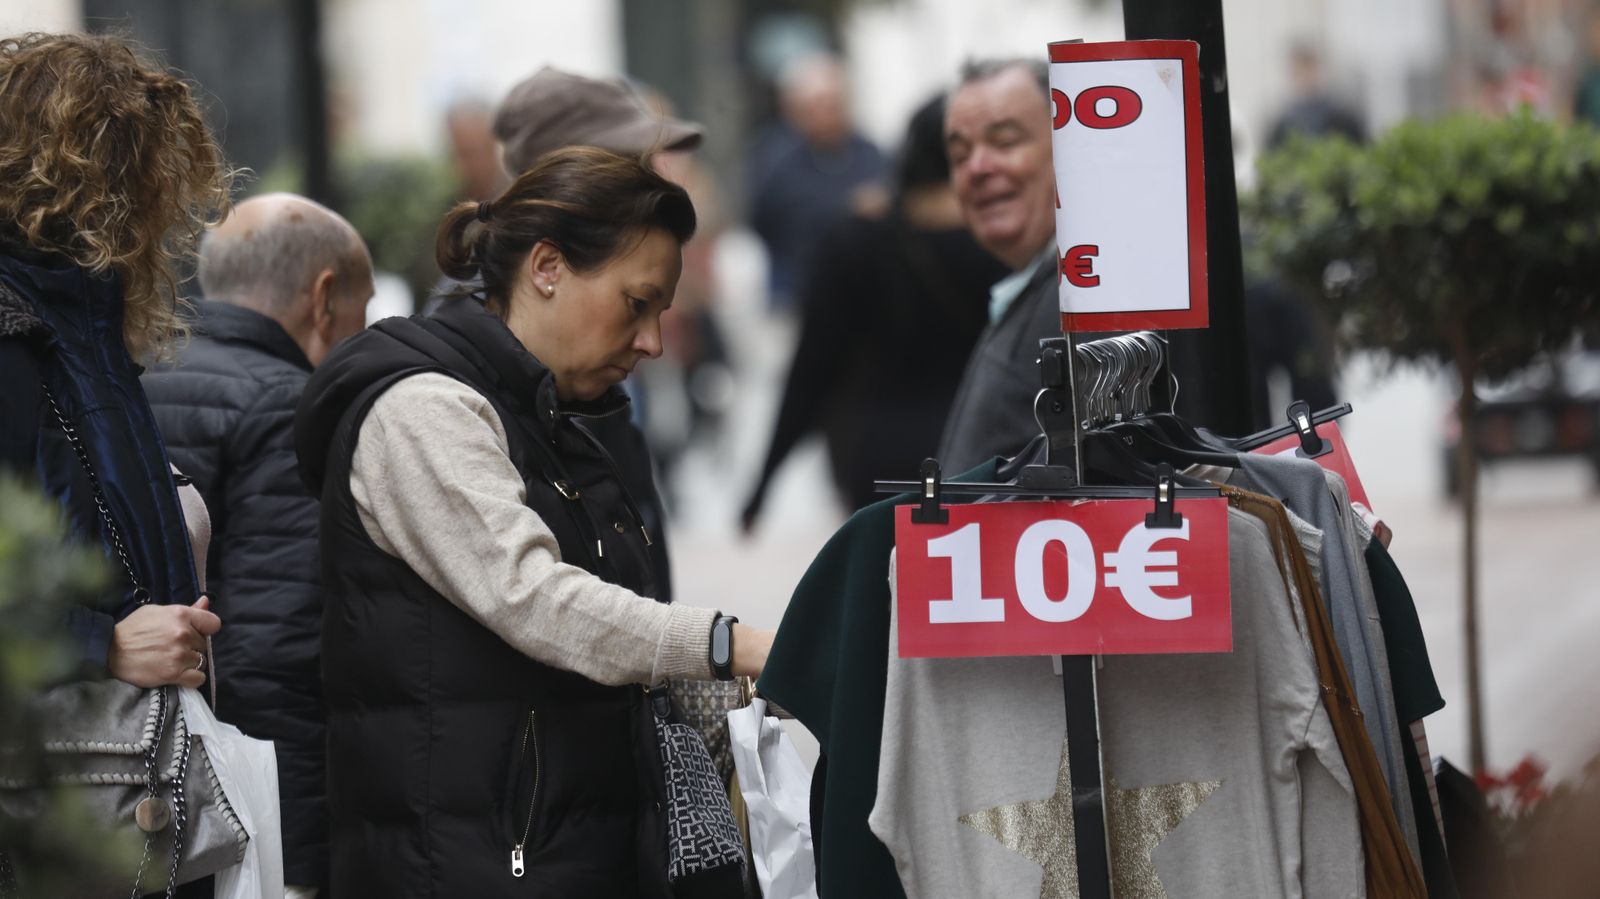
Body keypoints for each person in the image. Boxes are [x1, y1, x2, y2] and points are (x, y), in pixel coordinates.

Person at [294, 146, 775, 898]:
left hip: (559, 853)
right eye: (635, 302)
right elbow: (534, 597)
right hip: (471, 867)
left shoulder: (561, 414)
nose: (651, 341)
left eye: (662, 313)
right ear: (546, 268)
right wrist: (727, 643)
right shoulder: (423, 410)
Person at [0, 32, 232, 896]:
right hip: (56, 807)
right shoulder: (22, 331)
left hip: (123, 791)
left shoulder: (83, 323)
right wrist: (100, 644)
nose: (152, 204)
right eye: (135, 169)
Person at [141, 194, 373, 899]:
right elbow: (281, 647)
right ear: (324, 296)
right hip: (239, 800)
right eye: (359, 321)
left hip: (132, 774)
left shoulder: (133, 377)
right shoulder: (290, 406)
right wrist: (294, 858)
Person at [485, 65, 706, 597]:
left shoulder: (586, 363)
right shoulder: (471, 353)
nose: (658, 176)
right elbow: (535, 600)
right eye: (632, 163)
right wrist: (715, 645)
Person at [742, 93, 1006, 526]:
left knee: (888, 585)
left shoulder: (853, 240)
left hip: (874, 456)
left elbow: (812, 367)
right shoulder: (1004, 248)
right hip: (980, 451)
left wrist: (762, 483)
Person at [936, 58, 1064, 473]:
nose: (977, 168)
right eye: (959, 155)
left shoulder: (1088, 300)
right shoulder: (1037, 288)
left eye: (1005, 141)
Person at [748, 54, 887, 311]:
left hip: (862, 293)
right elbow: (761, 220)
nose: (829, 114)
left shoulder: (869, 152)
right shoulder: (777, 159)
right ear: (796, 110)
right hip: (798, 293)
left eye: (836, 104)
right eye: (819, 105)